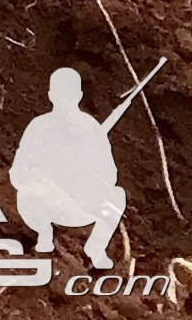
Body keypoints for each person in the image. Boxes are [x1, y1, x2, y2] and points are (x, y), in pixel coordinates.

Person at [9, 66, 127, 266]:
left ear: (79, 96)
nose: (65, 102)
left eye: (69, 96)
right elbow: (18, 171)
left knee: (117, 195)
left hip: (79, 205)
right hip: (43, 203)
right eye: (60, 95)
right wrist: (42, 181)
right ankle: (44, 235)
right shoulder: (39, 127)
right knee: (29, 193)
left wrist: (86, 179)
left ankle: (96, 247)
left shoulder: (91, 129)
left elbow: (110, 174)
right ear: (51, 95)